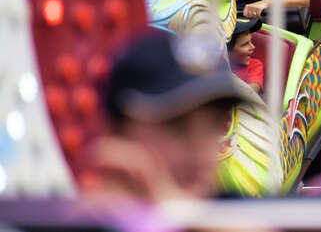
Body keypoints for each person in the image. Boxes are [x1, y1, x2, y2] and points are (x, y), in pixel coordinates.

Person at [83, 30, 251, 200]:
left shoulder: (236, 212)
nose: (199, 148)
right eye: (177, 126)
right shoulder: (72, 215)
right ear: (116, 129)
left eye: (214, 126)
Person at [228, 17, 264, 95]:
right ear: (226, 51)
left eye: (250, 41)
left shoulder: (255, 65)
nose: (252, 47)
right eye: (245, 44)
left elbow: (252, 92)